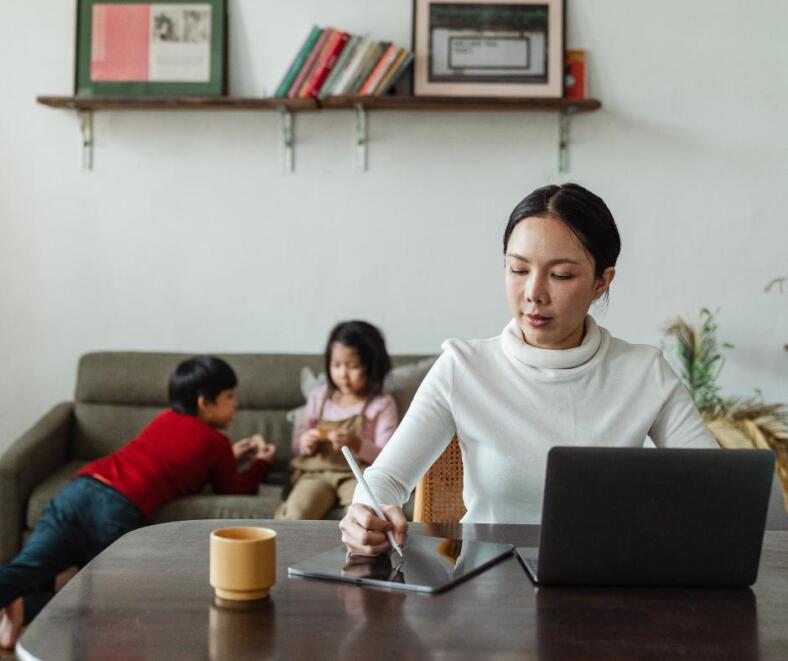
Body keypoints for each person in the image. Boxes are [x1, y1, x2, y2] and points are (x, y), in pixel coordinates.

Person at [340, 183, 718, 556]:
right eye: (518, 269)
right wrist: (366, 514)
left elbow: (716, 486)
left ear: (602, 281)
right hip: (489, 592)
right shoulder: (463, 368)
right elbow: (385, 479)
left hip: (605, 588)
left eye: (561, 275)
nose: (534, 292)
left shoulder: (643, 372)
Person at [0, 355, 275, 651]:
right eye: (229, 397)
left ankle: (22, 602)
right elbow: (233, 489)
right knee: (106, 602)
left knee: (29, 568)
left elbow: (172, 458)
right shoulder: (216, 443)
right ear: (203, 402)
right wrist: (261, 464)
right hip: (116, 510)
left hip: (80, 489)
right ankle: (30, 610)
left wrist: (230, 457)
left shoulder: (165, 419)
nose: (236, 404)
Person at [277, 321, 398, 520]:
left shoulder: (381, 404)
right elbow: (297, 445)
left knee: (361, 517)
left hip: (357, 475)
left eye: (353, 366)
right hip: (316, 473)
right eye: (336, 365)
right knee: (296, 513)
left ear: (372, 366)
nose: (343, 374)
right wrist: (306, 443)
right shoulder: (319, 397)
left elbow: (388, 457)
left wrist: (356, 444)